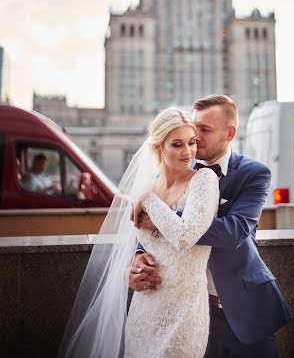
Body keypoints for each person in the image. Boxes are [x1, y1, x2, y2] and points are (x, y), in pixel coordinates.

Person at [129, 94, 292, 357]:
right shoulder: (175, 168)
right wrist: (139, 256)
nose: (196, 136)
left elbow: (235, 231)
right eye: (195, 127)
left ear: (229, 133)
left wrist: (167, 223)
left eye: (204, 129)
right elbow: (149, 227)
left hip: (241, 308)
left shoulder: (254, 174)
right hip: (188, 311)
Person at [57, 108, 219, 358]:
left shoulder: (204, 180)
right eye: (177, 144)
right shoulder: (145, 187)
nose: (188, 152)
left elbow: (185, 236)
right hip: (145, 308)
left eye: (192, 142)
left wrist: (149, 201)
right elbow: (138, 245)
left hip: (185, 312)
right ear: (158, 149)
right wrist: (130, 273)